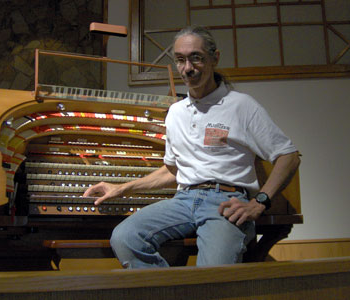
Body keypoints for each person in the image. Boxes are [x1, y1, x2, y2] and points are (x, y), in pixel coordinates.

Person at [83, 26, 300, 268]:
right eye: (180, 60)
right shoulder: (175, 112)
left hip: (225, 201)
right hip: (184, 200)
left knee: (211, 274)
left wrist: (259, 202)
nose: (188, 68)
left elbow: (288, 156)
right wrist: (122, 188)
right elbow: (172, 170)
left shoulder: (242, 106)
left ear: (214, 58)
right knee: (125, 237)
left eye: (196, 57)